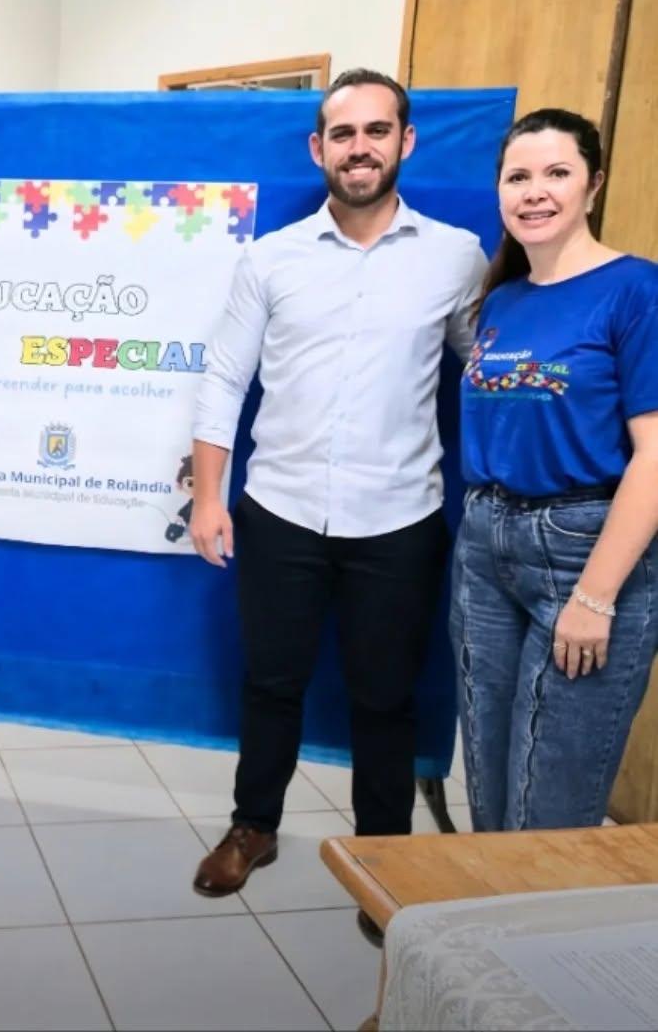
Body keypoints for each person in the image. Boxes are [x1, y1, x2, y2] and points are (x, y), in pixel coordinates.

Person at [186, 69, 489, 934]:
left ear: (406, 141)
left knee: (385, 698)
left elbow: (487, 370)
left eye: (377, 131)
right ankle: (254, 826)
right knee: (270, 682)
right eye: (343, 133)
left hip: (399, 519)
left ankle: (384, 857)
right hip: (279, 510)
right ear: (318, 148)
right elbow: (224, 379)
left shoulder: (456, 256)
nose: (360, 148)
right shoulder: (271, 257)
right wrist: (209, 496)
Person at [453, 108, 658, 832]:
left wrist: (596, 598)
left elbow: (655, 456)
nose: (534, 192)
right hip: (485, 550)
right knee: (488, 794)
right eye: (518, 177)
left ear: (593, 185)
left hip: (583, 553)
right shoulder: (503, 298)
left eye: (557, 173)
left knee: (548, 816)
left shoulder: (637, 290)